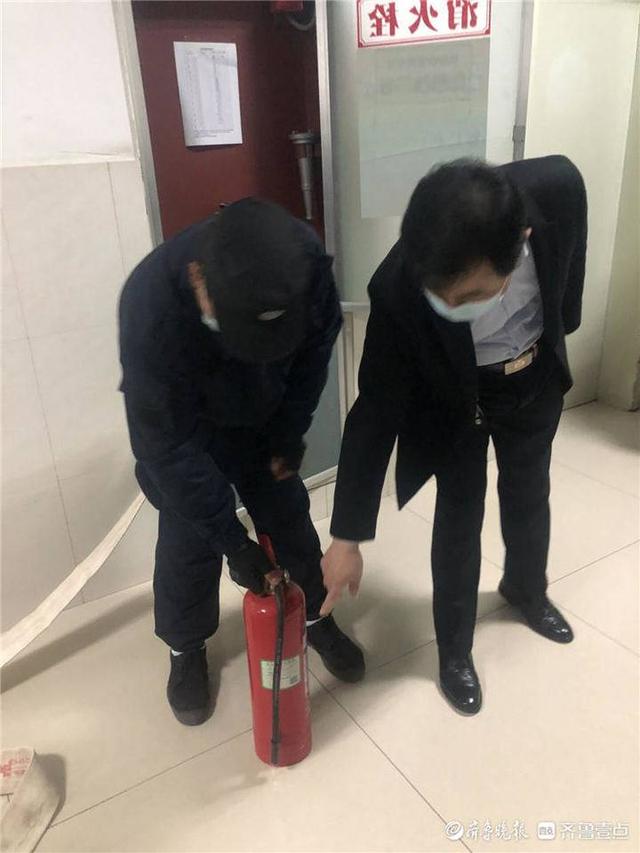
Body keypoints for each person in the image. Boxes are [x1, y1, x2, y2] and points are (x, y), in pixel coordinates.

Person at [320, 156, 587, 715]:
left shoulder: (556, 192)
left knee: (529, 490)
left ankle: (526, 589)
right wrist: (346, 538)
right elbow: (374, 410)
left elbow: (569, 270)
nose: (450, 306)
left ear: (520, 241)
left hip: (533, 375)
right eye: (442, 296)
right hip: (456, 399)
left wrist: (562, 326)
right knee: (459, 517)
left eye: (468, 296)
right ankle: (454, 650)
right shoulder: (399, 284)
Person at [119, 198, 364, 726]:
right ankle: (185, 647)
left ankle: (314, 617)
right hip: (188, 431)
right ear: (198, 280)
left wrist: (288, 433)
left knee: (289, 515)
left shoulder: (303, 267)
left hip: (262, 416)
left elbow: (313, 356)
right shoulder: (151, 303)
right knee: (189, 537)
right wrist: (233, 543)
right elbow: (163, 445)